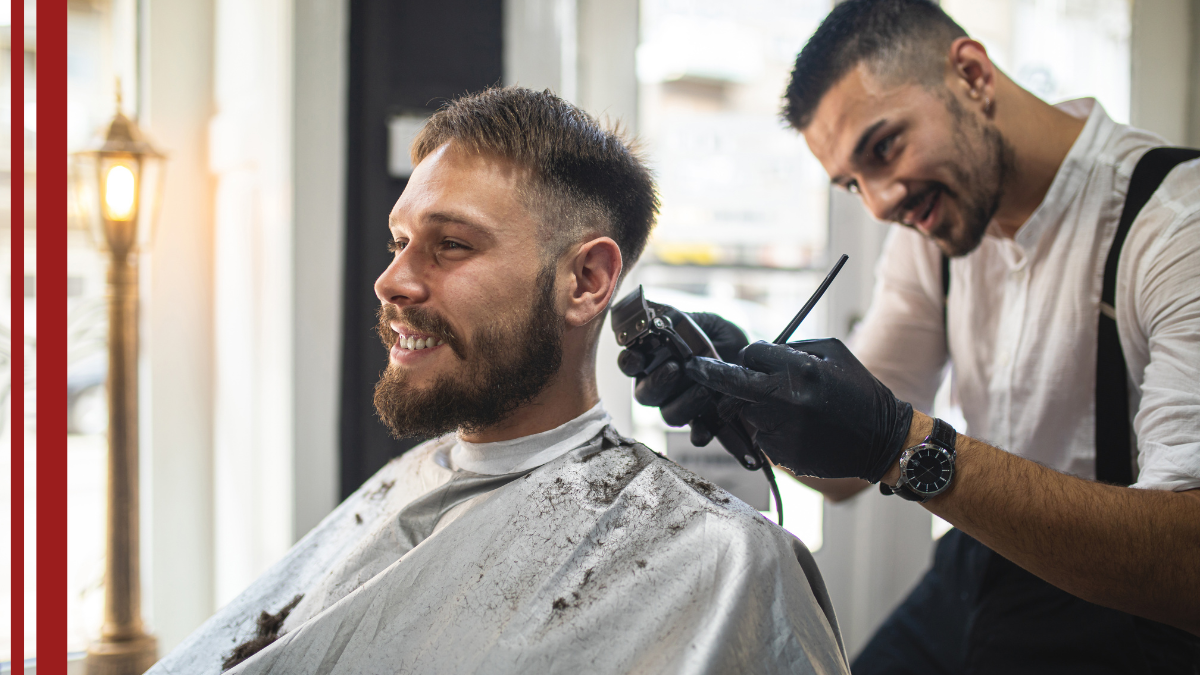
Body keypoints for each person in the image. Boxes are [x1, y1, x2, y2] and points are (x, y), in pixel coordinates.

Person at [148, 87, 849, 675]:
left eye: (450, 244)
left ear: (587, 280)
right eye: (400, 241)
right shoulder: (411, 484)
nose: (390, 280)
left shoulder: (721, 561)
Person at [627, 1, 1200, 672]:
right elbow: (846, 464)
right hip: (976, 563)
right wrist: (747, 393)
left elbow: (1187, 566)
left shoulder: (1174, 228)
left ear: (973, 76)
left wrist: (899, 442)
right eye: (851, 183)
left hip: (1119, 602)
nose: (878, 203)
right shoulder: (941, 224)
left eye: (883, 148)